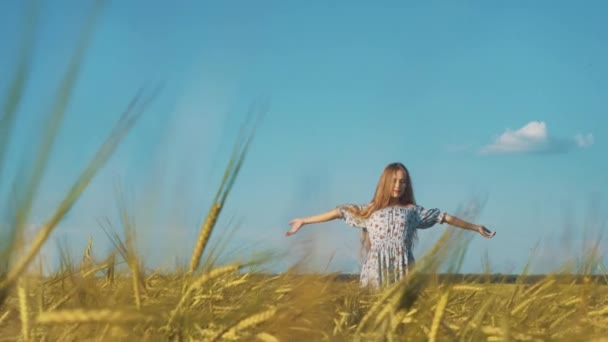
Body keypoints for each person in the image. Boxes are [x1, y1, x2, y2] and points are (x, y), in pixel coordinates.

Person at [285, 162, 496, 289]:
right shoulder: (370, 211)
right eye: (394, 180)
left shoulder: (413, 211)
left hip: (403, 270)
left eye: (403, 181)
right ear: (386, 182)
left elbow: (445, 217)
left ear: (407, 184)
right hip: (375, 270)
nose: (398, 185)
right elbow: (338, 212)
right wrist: (304, 221)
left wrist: (475, 227)